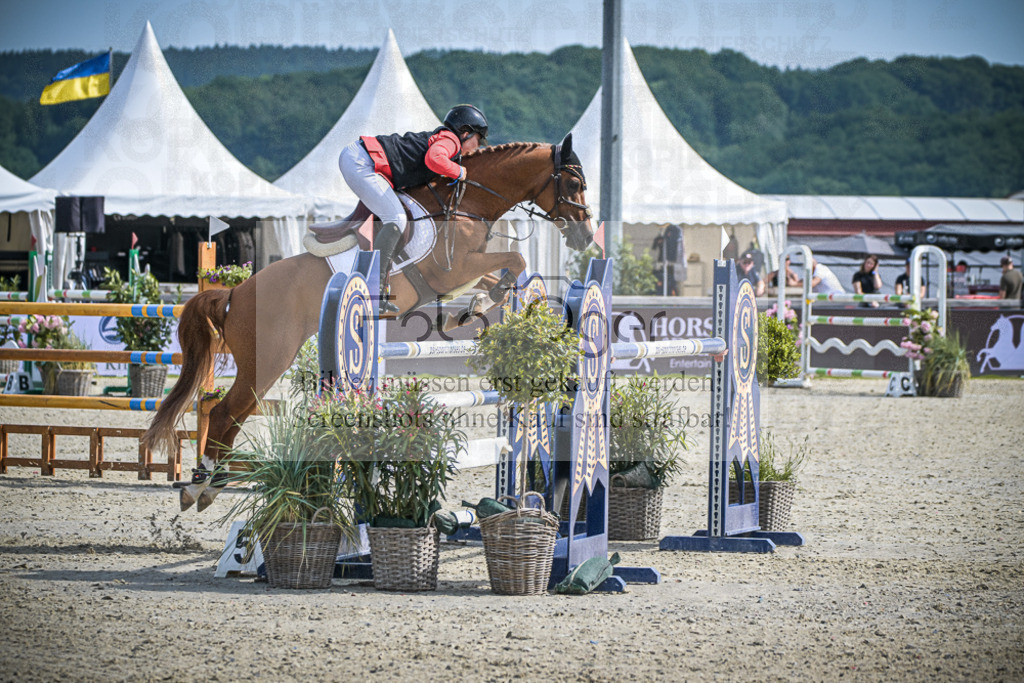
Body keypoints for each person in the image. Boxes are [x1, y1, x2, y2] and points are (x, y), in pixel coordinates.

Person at [338, 104, 489, 312]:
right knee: (396, 218)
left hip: (362, 160)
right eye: (477, 140)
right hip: (362, 162)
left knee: (396, 216)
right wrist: (459, 172)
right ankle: (374, 290)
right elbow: (435, 158)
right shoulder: (451, 141)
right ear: (465, 133)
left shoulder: (447, 140)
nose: (478, 147)